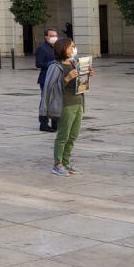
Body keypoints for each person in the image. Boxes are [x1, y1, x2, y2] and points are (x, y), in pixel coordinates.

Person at [42, 38, 94, 175]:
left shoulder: (72, 63)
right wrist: (66, 78)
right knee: (63, 136)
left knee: (73, 135)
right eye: (71, 47)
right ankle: (57, 164)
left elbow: (79, 83)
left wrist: (86, 75)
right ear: (62, 49)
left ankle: (66, 162)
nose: (73, 49)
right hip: (65, 104)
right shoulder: (55, 66)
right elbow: (50, 88)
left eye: (74, 47)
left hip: (78, 102)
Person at [36, 28, 60, 132]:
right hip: (45, 78)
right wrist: (50, 64)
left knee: (55, 101)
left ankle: (55, 123)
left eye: (55, 35)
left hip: (57, 78)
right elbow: (38, 64)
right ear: (46, 37)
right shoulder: (42, 48)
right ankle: (43, 124)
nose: (54, 37)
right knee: (45, 101)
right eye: (52, 36)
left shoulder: (58, 47)